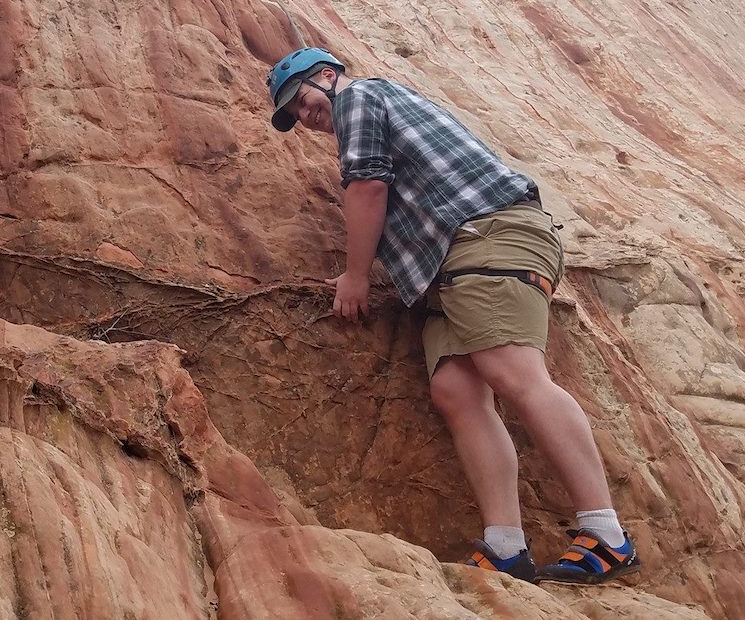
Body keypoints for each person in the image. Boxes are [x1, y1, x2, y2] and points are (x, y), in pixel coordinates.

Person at [267, 46, 641, 586]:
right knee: (456, 391)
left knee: (515, 375)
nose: (305, 117)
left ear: (327, 76)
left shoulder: (360, 99)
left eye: (300, 100)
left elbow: (367, 187)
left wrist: (355, 277)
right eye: (293, 115)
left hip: (485, 236)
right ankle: (506, 545)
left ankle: (607, 536)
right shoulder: (371, 110)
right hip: (446, 269)